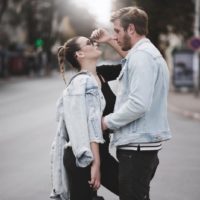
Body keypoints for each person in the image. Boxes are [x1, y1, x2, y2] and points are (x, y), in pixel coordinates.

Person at [98, 7, 171, 200]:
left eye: (117, 31)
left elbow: (138, 104)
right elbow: (129, 60)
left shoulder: (142, 57)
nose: (115, 36)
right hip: (142, 146)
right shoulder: (144, 54)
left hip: (137, 148)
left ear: (131, 29)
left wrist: (105, 122)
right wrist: (109, 41)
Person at [50, 35, 126, 200]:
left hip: (99, 153)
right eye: (89, 43)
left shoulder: (102, 74)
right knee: (131, 191)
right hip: (83, 155)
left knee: (133, 191)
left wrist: (109, 40)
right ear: (80, 54)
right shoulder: (80, 84)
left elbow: (131, 63)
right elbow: (87, 127)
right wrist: (95, 163)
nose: (94, 44)